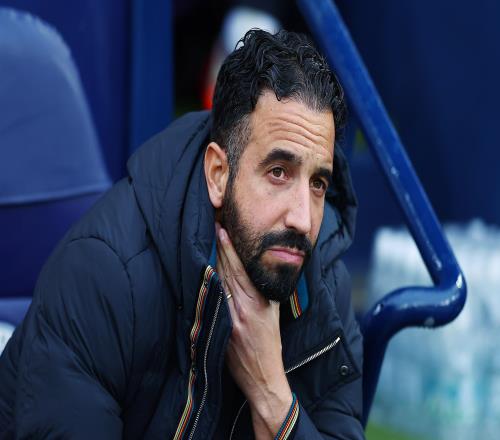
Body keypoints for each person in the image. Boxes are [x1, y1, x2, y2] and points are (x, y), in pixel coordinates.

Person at [0, 29, 363, 439]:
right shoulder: (104, 275)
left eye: (317, 183)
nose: (303, 219)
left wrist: (272, 397)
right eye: (278, 172)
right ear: (218, 174)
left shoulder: (325, 283)